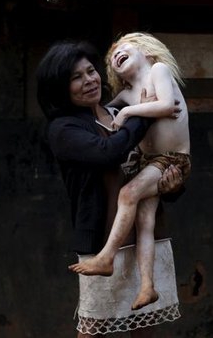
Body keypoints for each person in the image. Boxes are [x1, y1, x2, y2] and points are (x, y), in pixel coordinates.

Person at [36, 39, 184, 337]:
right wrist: (145, 112)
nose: (89, 80)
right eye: (75, 77)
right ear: (59, 88)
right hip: (102, 238)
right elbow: (108, 152)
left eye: (90, 71)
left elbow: (151, 163)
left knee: (145, 321)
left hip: (143, 233)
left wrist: (171, 186)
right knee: (94, 325)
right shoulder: (63, 129)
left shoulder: (118, 112)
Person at [68, 32, 191, 312]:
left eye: (123, 48)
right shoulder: (125, 94)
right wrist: (120, 114)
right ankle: (147, 287)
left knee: (129, 193)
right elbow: (107, 113)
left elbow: (166, 105)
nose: (115, 55)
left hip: (171, 158)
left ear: (147, 52)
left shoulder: (158, 70)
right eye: (112, 58)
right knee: (144, 223)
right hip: (150, 162)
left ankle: (106, 257)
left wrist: (127, 114)